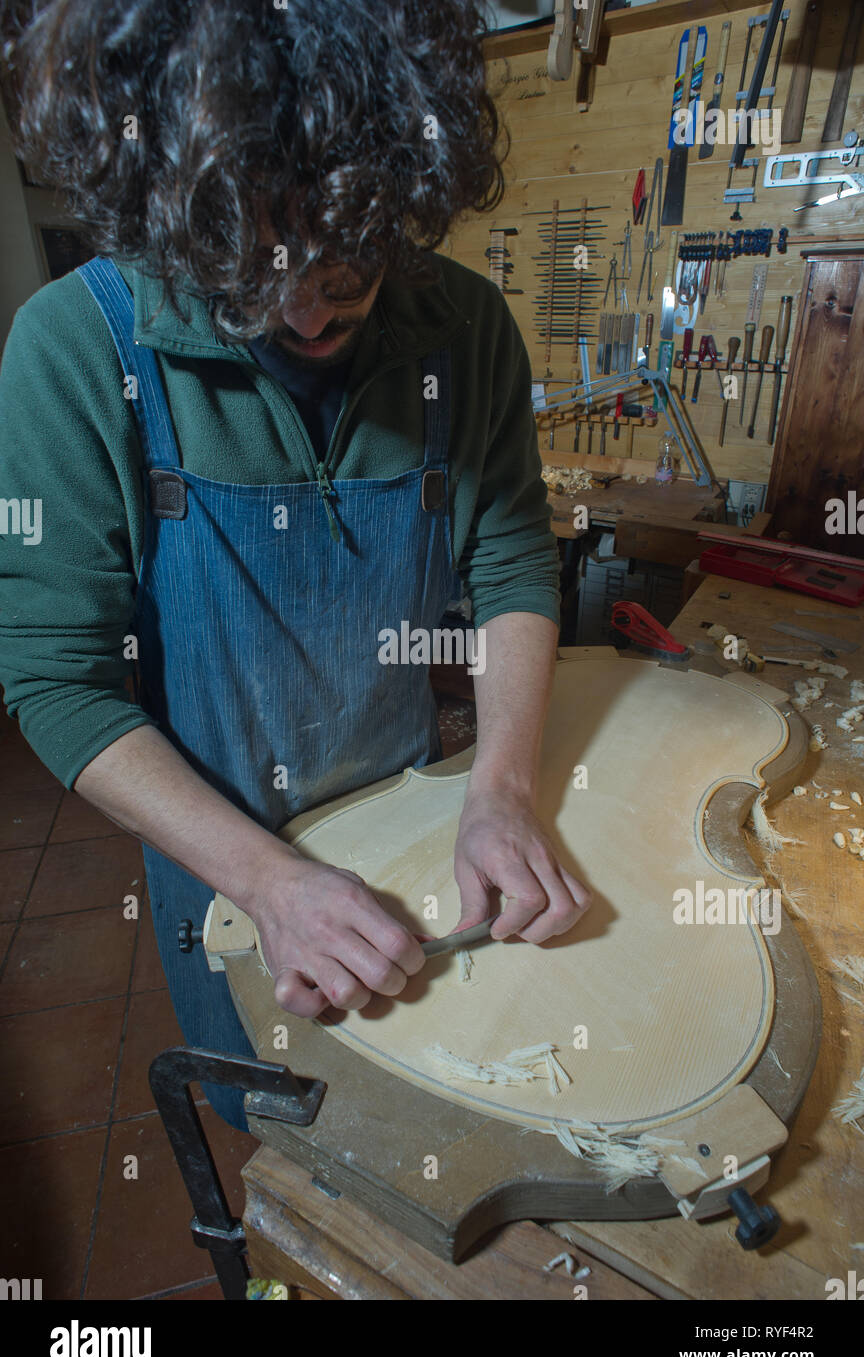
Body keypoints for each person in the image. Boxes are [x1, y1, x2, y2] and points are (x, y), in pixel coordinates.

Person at [0, 0, 591, 1130]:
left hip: (425, 819)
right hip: (222, 863)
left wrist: (501, 791)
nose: (306, 308)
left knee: (456, 1120)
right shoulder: (74, 351)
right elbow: (56, 683)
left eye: (345, 255)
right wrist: (268, 881)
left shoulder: (462, 326)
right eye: (249, 264)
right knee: (293, 1143)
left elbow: (512, 558)